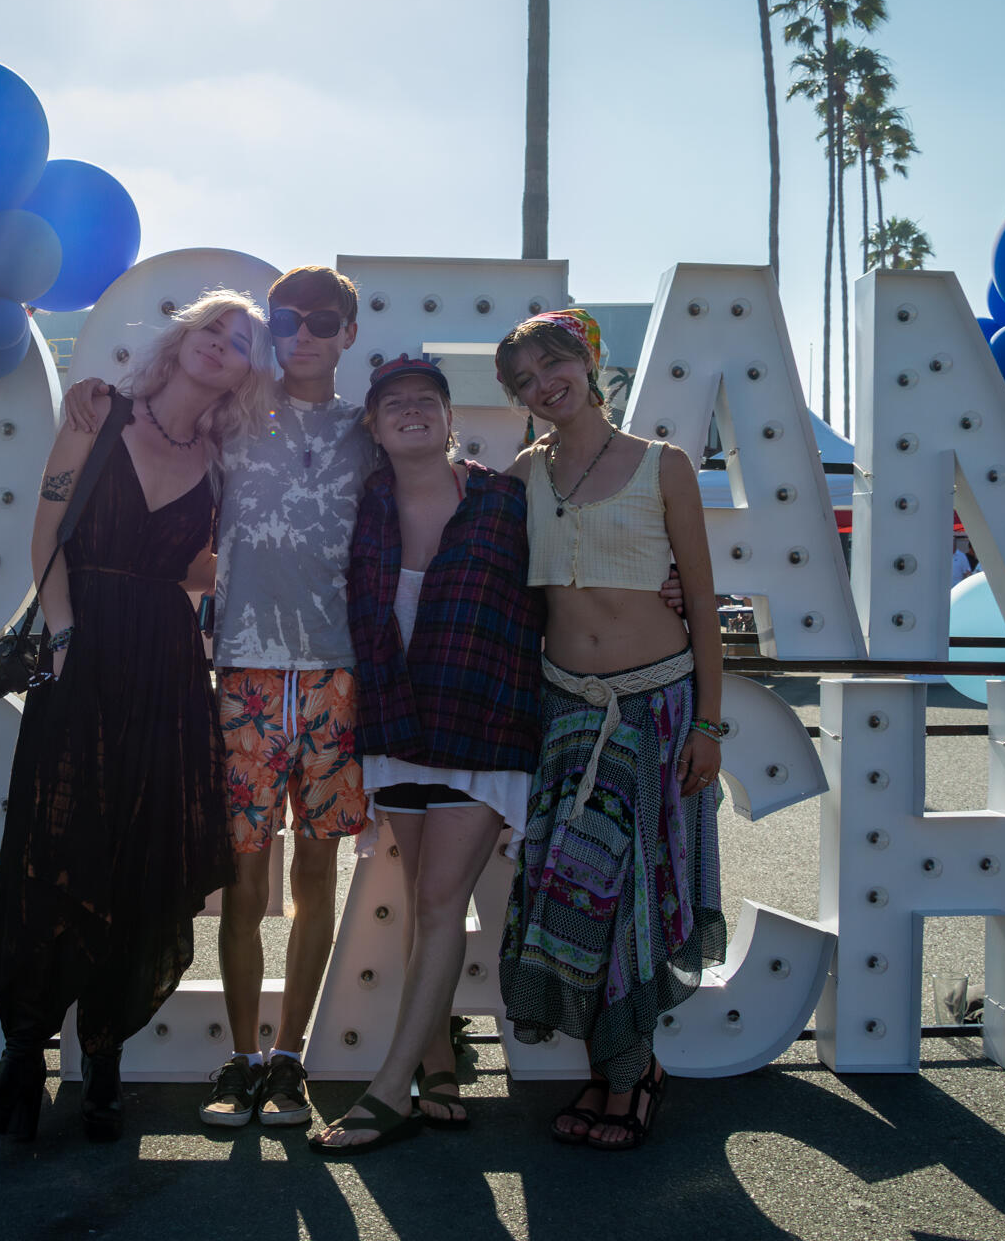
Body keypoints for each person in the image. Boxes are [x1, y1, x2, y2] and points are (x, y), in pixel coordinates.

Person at [65, 265, 378, 1130]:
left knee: (318, 872)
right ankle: (241, 1061)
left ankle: (290, 1060)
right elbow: (154, 440)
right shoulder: (234, 425)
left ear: (349, 332)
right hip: (239, 673)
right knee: (245, 879)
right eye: (288, 318)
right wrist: (94, 400)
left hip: (335, 677)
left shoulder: (371, 433)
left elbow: (445, 491)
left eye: (324, 319)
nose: (304, 332)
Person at [0, 290, 276, 1144]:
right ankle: (22, 1056)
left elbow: (200, 568)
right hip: (83, 652)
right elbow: (47, 535)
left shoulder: (222, 461)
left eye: (241, 341)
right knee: (48, 852)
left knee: (141, 858)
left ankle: (102, 1061)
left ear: (247, 371)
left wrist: (277, 567)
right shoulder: (99, 413)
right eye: (213, 329)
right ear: (181, 341)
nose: (222, 345)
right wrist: (64, 637)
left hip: (169, 669)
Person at [495, 309, 727, 1152]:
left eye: (552, 365)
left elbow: (701, 602)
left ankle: (625, 1079)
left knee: (635, 892)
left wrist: (709, 720)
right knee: (575, 894)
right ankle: (623, 1069)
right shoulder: (521, 474)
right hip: (563, 712)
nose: (541, 386)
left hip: (658, 709)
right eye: (522, 380)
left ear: (588, 362)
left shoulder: (663, 465)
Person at [308, 355, 544, 1155]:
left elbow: (568, 581)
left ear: (449, 420)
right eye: (394, 404)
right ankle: (439, 1061)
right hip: (395, 723)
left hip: (481, 724)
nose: (411, 411)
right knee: (418, 898)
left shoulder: (505, 501)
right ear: (373, 428)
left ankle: (390, 1090)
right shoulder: (360, 506)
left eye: (426, 401)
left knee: (441, 900)